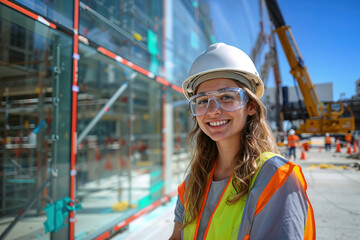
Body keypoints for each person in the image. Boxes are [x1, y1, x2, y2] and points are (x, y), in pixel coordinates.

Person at [169, 43, 315, 240]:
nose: (213, 110)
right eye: (202, 101)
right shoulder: (192, 183)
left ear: (251, 106)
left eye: (227, 97)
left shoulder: (276, 179)